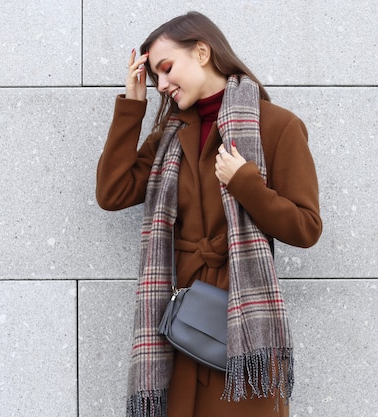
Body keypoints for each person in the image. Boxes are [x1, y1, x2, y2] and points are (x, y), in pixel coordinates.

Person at [96, 11, 322, 417]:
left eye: (166, 69)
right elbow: (113, 193)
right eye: (155, 79)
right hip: (181, 320)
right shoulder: (170, 134)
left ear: (202, 52)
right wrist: (133, 105)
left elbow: (306, 228)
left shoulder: (278, 126)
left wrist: (246, 184)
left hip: (240, 324)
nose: (162, 85)